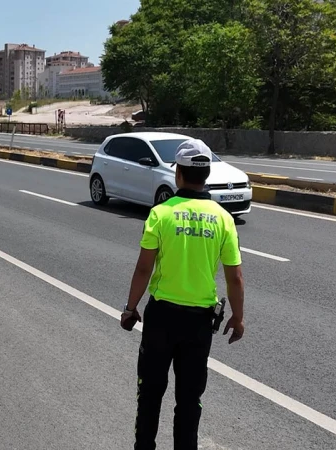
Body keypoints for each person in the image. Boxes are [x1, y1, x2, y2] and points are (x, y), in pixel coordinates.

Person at [121, 139, 245, 450]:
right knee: (189, 400)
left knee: (150, 393)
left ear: (178, 173)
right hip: (199, 324)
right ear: (206, 175)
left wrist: (130, 308)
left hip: (162, 318)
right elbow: (235, 277)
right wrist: (239, 318)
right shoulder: (223, 218)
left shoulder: (161, 214)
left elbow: (142, 269)